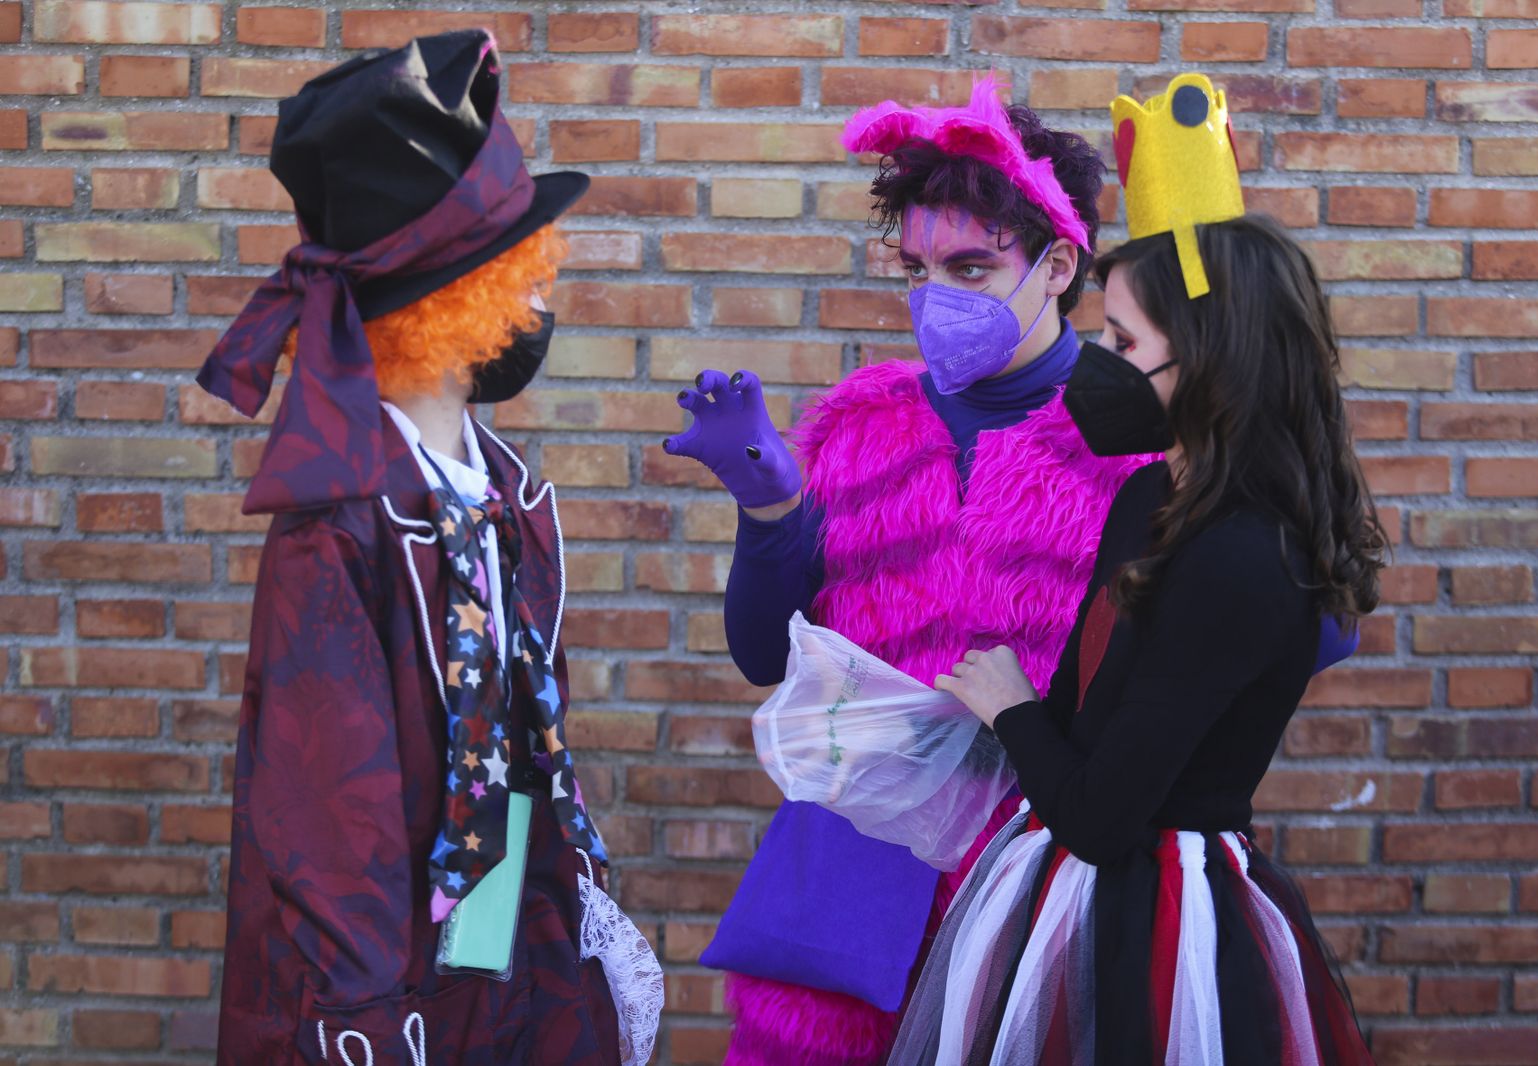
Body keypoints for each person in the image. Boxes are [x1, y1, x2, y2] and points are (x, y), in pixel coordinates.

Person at [665, 76, 1164, 1065]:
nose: (938, 298)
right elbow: (764, 654)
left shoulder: (1140, 438)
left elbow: (1271, 646)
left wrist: (1245, 463)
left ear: (1059, 263)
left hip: (1046, 876)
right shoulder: (860, 427)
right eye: (919, 268)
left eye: (972, 268)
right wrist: (769, 509)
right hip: (854, 893)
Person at [898, 73, 1384, 1064]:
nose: (1100, 364)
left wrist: (1008, 706)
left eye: (1122, 342)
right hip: (1054, 890)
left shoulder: (1245, 558)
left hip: (1158, 923)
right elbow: (1090, 729)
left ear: (1206, 361)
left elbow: (1104, 813)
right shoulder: (1145, 501)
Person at [195, 31, 660, 1064]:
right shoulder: (339, 527)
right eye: (521, 270)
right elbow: (328, 814)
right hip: (388, 974)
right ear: (457, 300)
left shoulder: (504, 491)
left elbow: (518, 741)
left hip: (497, 937)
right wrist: (373, 1019)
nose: (543, 294)